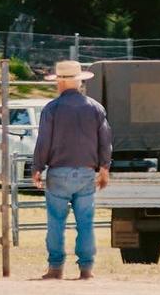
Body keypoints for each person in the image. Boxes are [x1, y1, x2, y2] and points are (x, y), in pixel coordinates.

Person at [31, 60, 112, 280]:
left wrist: (37, 167)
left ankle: (55, 267)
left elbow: (44, 142)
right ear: (79, 82)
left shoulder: (52, 109)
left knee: (56, 222)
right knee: (85, 222)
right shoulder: (95, 108)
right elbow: (105, 141)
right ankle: (86, 268)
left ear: (59, 82)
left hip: (58, 172)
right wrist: (104, 168)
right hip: (86, 172)